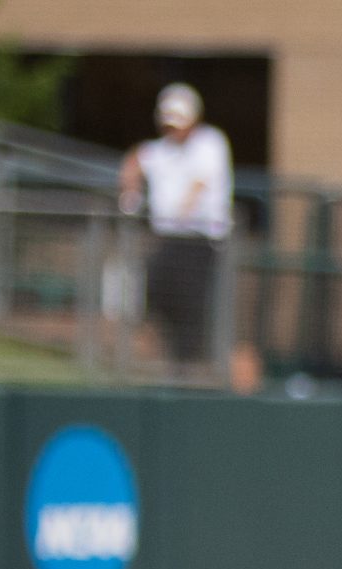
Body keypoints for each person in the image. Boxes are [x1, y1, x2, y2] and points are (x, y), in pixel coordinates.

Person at [117, 83, 232, 369]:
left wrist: (179, 213)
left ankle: (189, 365)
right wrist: (130, 193)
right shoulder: (160, 150)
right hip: (170, 240)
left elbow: (199, 184)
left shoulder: (210, 142)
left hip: (199, 240)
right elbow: (134, 161)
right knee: (153, 293)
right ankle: (168, 357)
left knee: (190, 310)